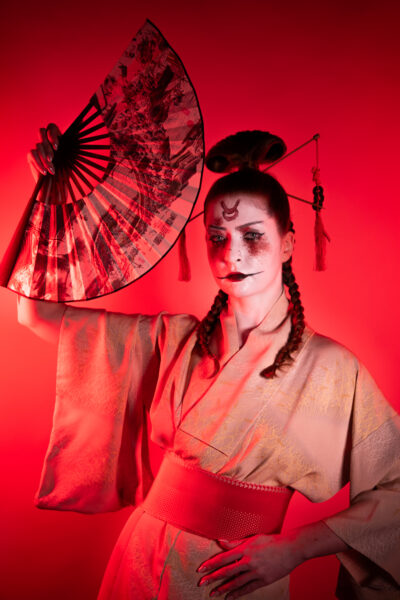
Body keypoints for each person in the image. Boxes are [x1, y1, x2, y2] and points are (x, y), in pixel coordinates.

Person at [18, 125, 400, 599]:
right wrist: (51, 198)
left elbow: (396, 489)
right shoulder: (174, 338)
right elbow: (37, 314)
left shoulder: (331, 367)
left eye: (252, 236)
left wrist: (296, 548)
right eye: (217, 237)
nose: (231, 253)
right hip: (142, 556)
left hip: (240, 575)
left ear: (288, 243)